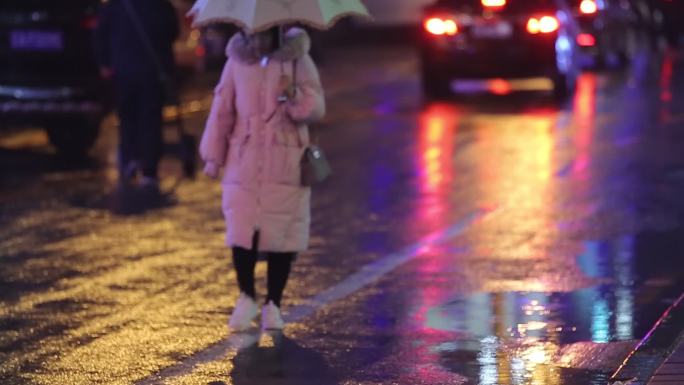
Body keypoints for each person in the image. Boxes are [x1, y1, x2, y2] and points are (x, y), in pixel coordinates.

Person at [200, 26, 325, 330]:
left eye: (264, 34)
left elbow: (317, 107)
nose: (257, 39)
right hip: (242, 159)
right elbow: (222, 112)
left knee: (281, 234)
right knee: (241, 230)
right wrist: (213, 156)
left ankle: (274, 304)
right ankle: (246, 297)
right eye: (252, 34)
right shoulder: (236, 62)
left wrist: (295, 96)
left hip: (285, 160)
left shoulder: (297, 60)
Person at [94, 0, 179, 188]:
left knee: (127, 117)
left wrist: (105, 64)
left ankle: (130, 159)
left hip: (123, 71)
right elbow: (172, 32)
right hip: (152, 72)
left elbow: (101, 34)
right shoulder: (160, 5)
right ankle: (149, 169)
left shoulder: (115, 6)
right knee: (151, 119)